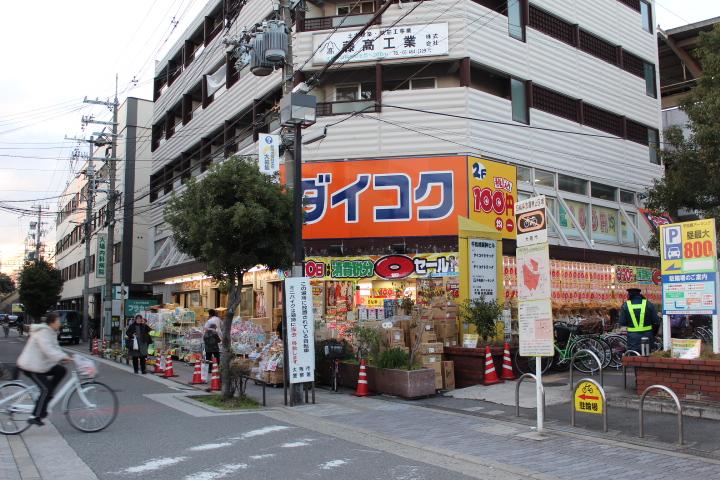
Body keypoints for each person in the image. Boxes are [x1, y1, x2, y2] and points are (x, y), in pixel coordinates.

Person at [16, 312, 72, 426]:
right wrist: (62, 357)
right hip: (31, 366)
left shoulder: (51, 332)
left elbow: (55, 348)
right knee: (45, 389)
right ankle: (35, 416)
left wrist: (65, 357)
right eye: (58, 321)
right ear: (52, 322)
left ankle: (47, 396)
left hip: (40, 365)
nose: (60, 323)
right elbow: (48, 350)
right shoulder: (43, 332)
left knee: (61, 370)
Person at [618, 288, 660, 353]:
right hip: (647, 336)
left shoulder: (625, 305)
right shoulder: (648, 304)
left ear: (629, 295)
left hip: (633, 339)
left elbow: (622, 323)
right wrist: (653, 333)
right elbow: (656, 322)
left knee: (634, 357)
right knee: (647, 357)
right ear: (639, 294)